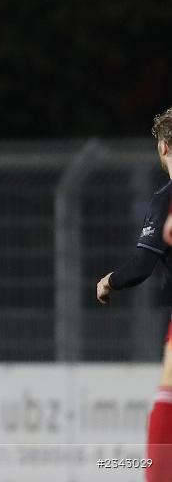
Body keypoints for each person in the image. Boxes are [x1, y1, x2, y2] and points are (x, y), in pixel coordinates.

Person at [96, 106, 172, 481]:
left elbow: (141, 267)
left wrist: (109, 281)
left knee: (168, 398)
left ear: (163, 147)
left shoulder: (166, 199)